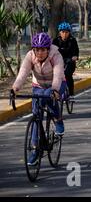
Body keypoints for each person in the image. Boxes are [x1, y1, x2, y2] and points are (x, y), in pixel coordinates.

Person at [12, 32, 66, 165]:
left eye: (43, 50)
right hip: (39, 85)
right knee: (36, 115)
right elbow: (23, 73)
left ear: (48, 49)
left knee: (49, 97)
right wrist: (15, 88)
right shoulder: (30, 56)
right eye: (37, 50)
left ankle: (58, 119)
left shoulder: (56, 55)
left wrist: (54, 89)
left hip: (57, 84)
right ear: (33, 49)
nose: (40, 53)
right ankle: (36, 149)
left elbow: (58, 74)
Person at [52, 22, 79, 97]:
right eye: (62, 32)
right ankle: (55, 92)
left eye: (66, 32)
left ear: (69, 32)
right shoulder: (55, 41)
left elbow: (76, 50)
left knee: (67, 75)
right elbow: (52, 51)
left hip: (69, 61)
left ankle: (71, 94)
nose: (64, 34)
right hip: (58, 61)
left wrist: (75, 56)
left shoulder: (72, 40)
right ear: (59, 32)